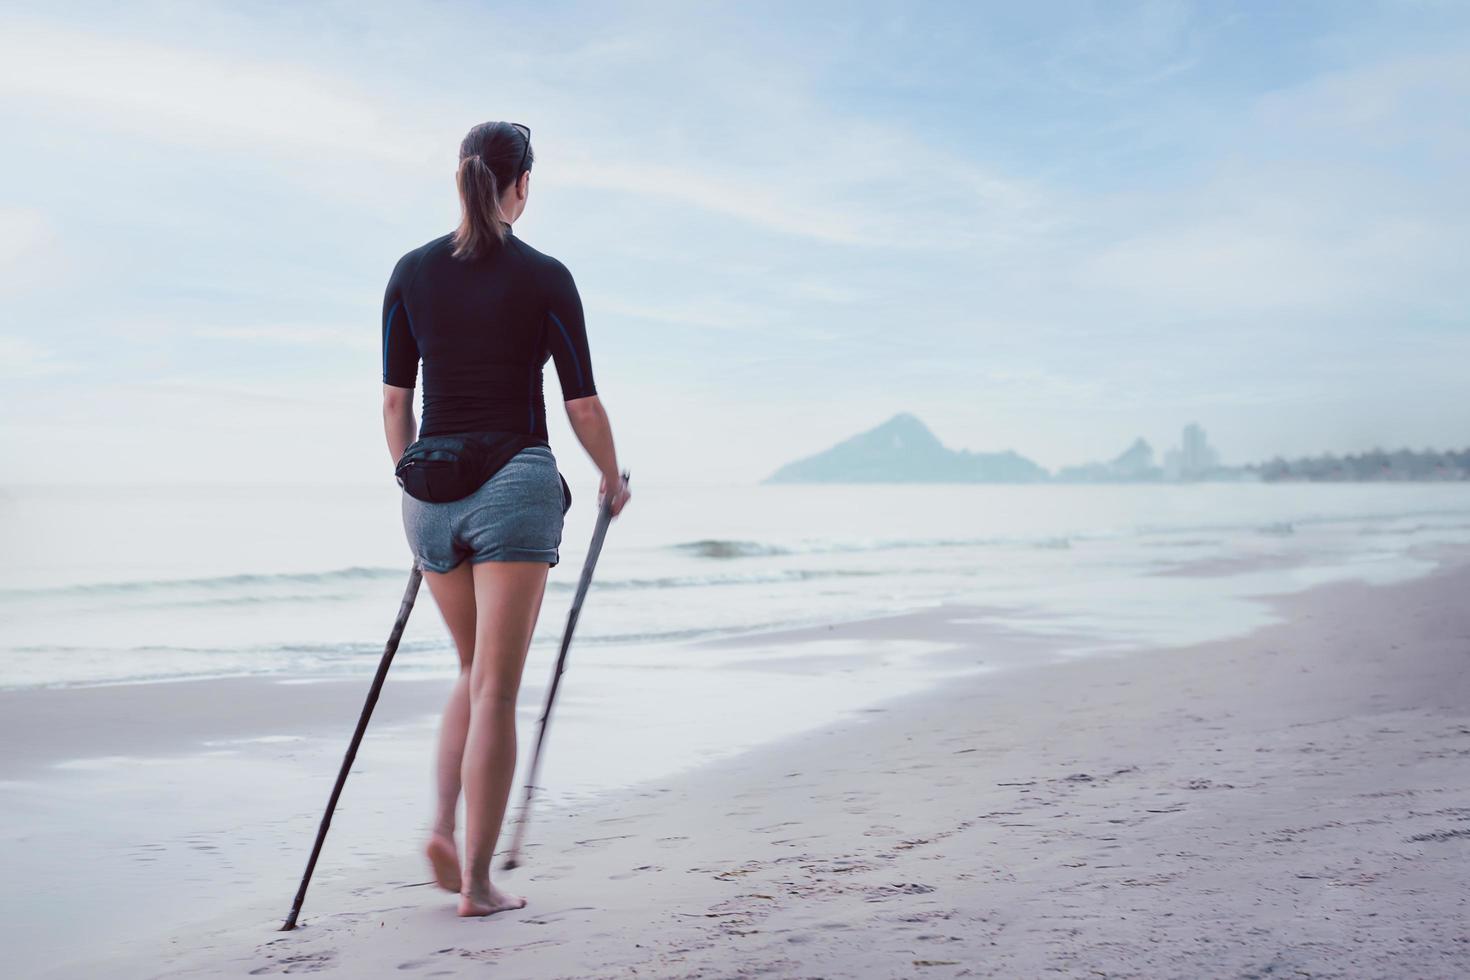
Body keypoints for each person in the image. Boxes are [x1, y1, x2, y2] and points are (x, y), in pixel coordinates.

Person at [380, 120, 631, 917]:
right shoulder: (546, 277)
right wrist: (611, 478)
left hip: (429, 493)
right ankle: (479, 886)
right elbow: (581, 404)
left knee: (469, 672)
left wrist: (412, 484)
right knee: (495, 690)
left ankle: (443, 827)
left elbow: (396, 403)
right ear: (521, 184)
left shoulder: (410, 272)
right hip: (513, 486)